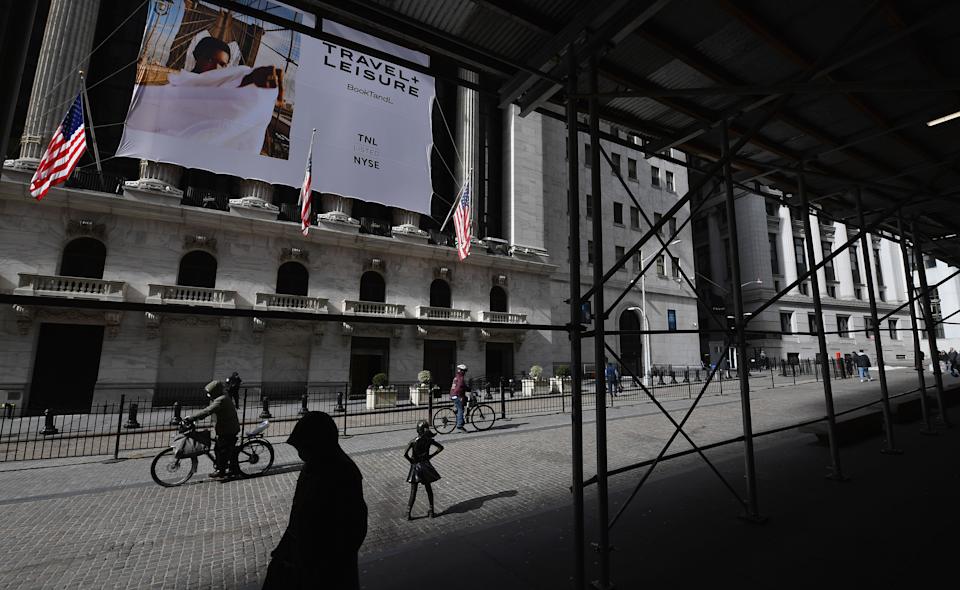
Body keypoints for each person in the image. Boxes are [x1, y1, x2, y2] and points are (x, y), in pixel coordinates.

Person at [262, 411, 367, 589]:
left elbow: (353, 526)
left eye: (304, 448)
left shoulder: (342, 472)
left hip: (326, 567)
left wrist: (324, 559)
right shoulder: (313, 466)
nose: (301, 454)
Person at [183, 380, 240, 478]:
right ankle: (232, 468)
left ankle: (221, 471)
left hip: (228, 429)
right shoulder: (220, 398)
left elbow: (208, 410)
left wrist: (192, 418)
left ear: (215, 391)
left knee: (220, 450)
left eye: (210, 393)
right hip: (226, 428)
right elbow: (209, 410)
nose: (208, 395)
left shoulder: (221, 400)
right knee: (222, 449)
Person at [404, 419, 444, 520]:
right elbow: (440, 447)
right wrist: (430, 456)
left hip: (416, 466)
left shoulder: (413, 441)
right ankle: (431, 511)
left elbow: (405, 454)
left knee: (413, 491)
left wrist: (411, 461)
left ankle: (408, 512)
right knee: (428, 489)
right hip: (425, 466)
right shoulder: (428, 440)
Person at [450, 364, 469, 432]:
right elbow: (460, 387)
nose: (465, 373)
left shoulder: (456, 377)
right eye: (464, 371)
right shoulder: (460, 378)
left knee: (460, 408)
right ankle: (459, 425)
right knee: (461, 409)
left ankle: (459, 417)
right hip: (457, 395)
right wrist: (467, 389)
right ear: (462, 371)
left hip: (453, 395)